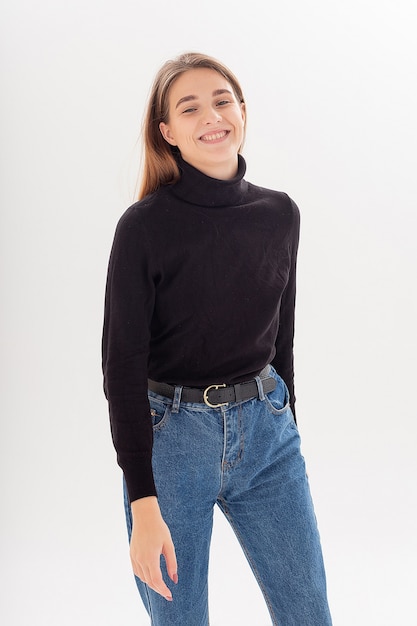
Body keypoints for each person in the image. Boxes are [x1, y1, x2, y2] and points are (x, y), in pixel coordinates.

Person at [102, 51, 332, 626]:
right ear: (168, 133)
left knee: (309, 615)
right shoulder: (144, 227)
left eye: (222, 100)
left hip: (268, 436)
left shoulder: (280, 214)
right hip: (173, 443)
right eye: (190, 107)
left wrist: (288, 420)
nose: (212, 116)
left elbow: (283, 335)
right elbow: (121, 367)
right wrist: (142, 499)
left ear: (243, 112)